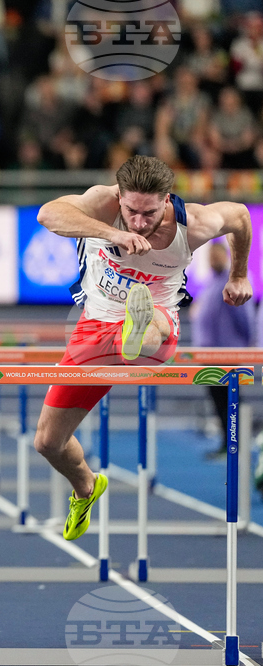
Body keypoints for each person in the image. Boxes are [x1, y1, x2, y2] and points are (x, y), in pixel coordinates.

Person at [34, 155, 252, 541]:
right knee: (48, 442)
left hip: (159, 321)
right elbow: (48, 214)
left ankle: (135, 330)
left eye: (149, 213)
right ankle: (86, 486)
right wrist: (112, 234)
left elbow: (240, 217)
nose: (138, 222)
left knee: (151, 328)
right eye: (131, 211)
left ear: (166, 200)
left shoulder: (192, 223)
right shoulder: (103, 202)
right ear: (119, 197)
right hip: (94, 327)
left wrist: (238, 275)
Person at [191, 242, 255, 458]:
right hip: (209, 353)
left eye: (216, 256)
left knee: (231, 400)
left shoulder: (234, 282)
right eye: (210, 257)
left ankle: (237, 444)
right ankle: (227, 443)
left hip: (227, 353)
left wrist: (247, 343)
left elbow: (244, 316)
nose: (213, 260)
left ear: (225, 257)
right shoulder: (211, 283)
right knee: (219, 401)